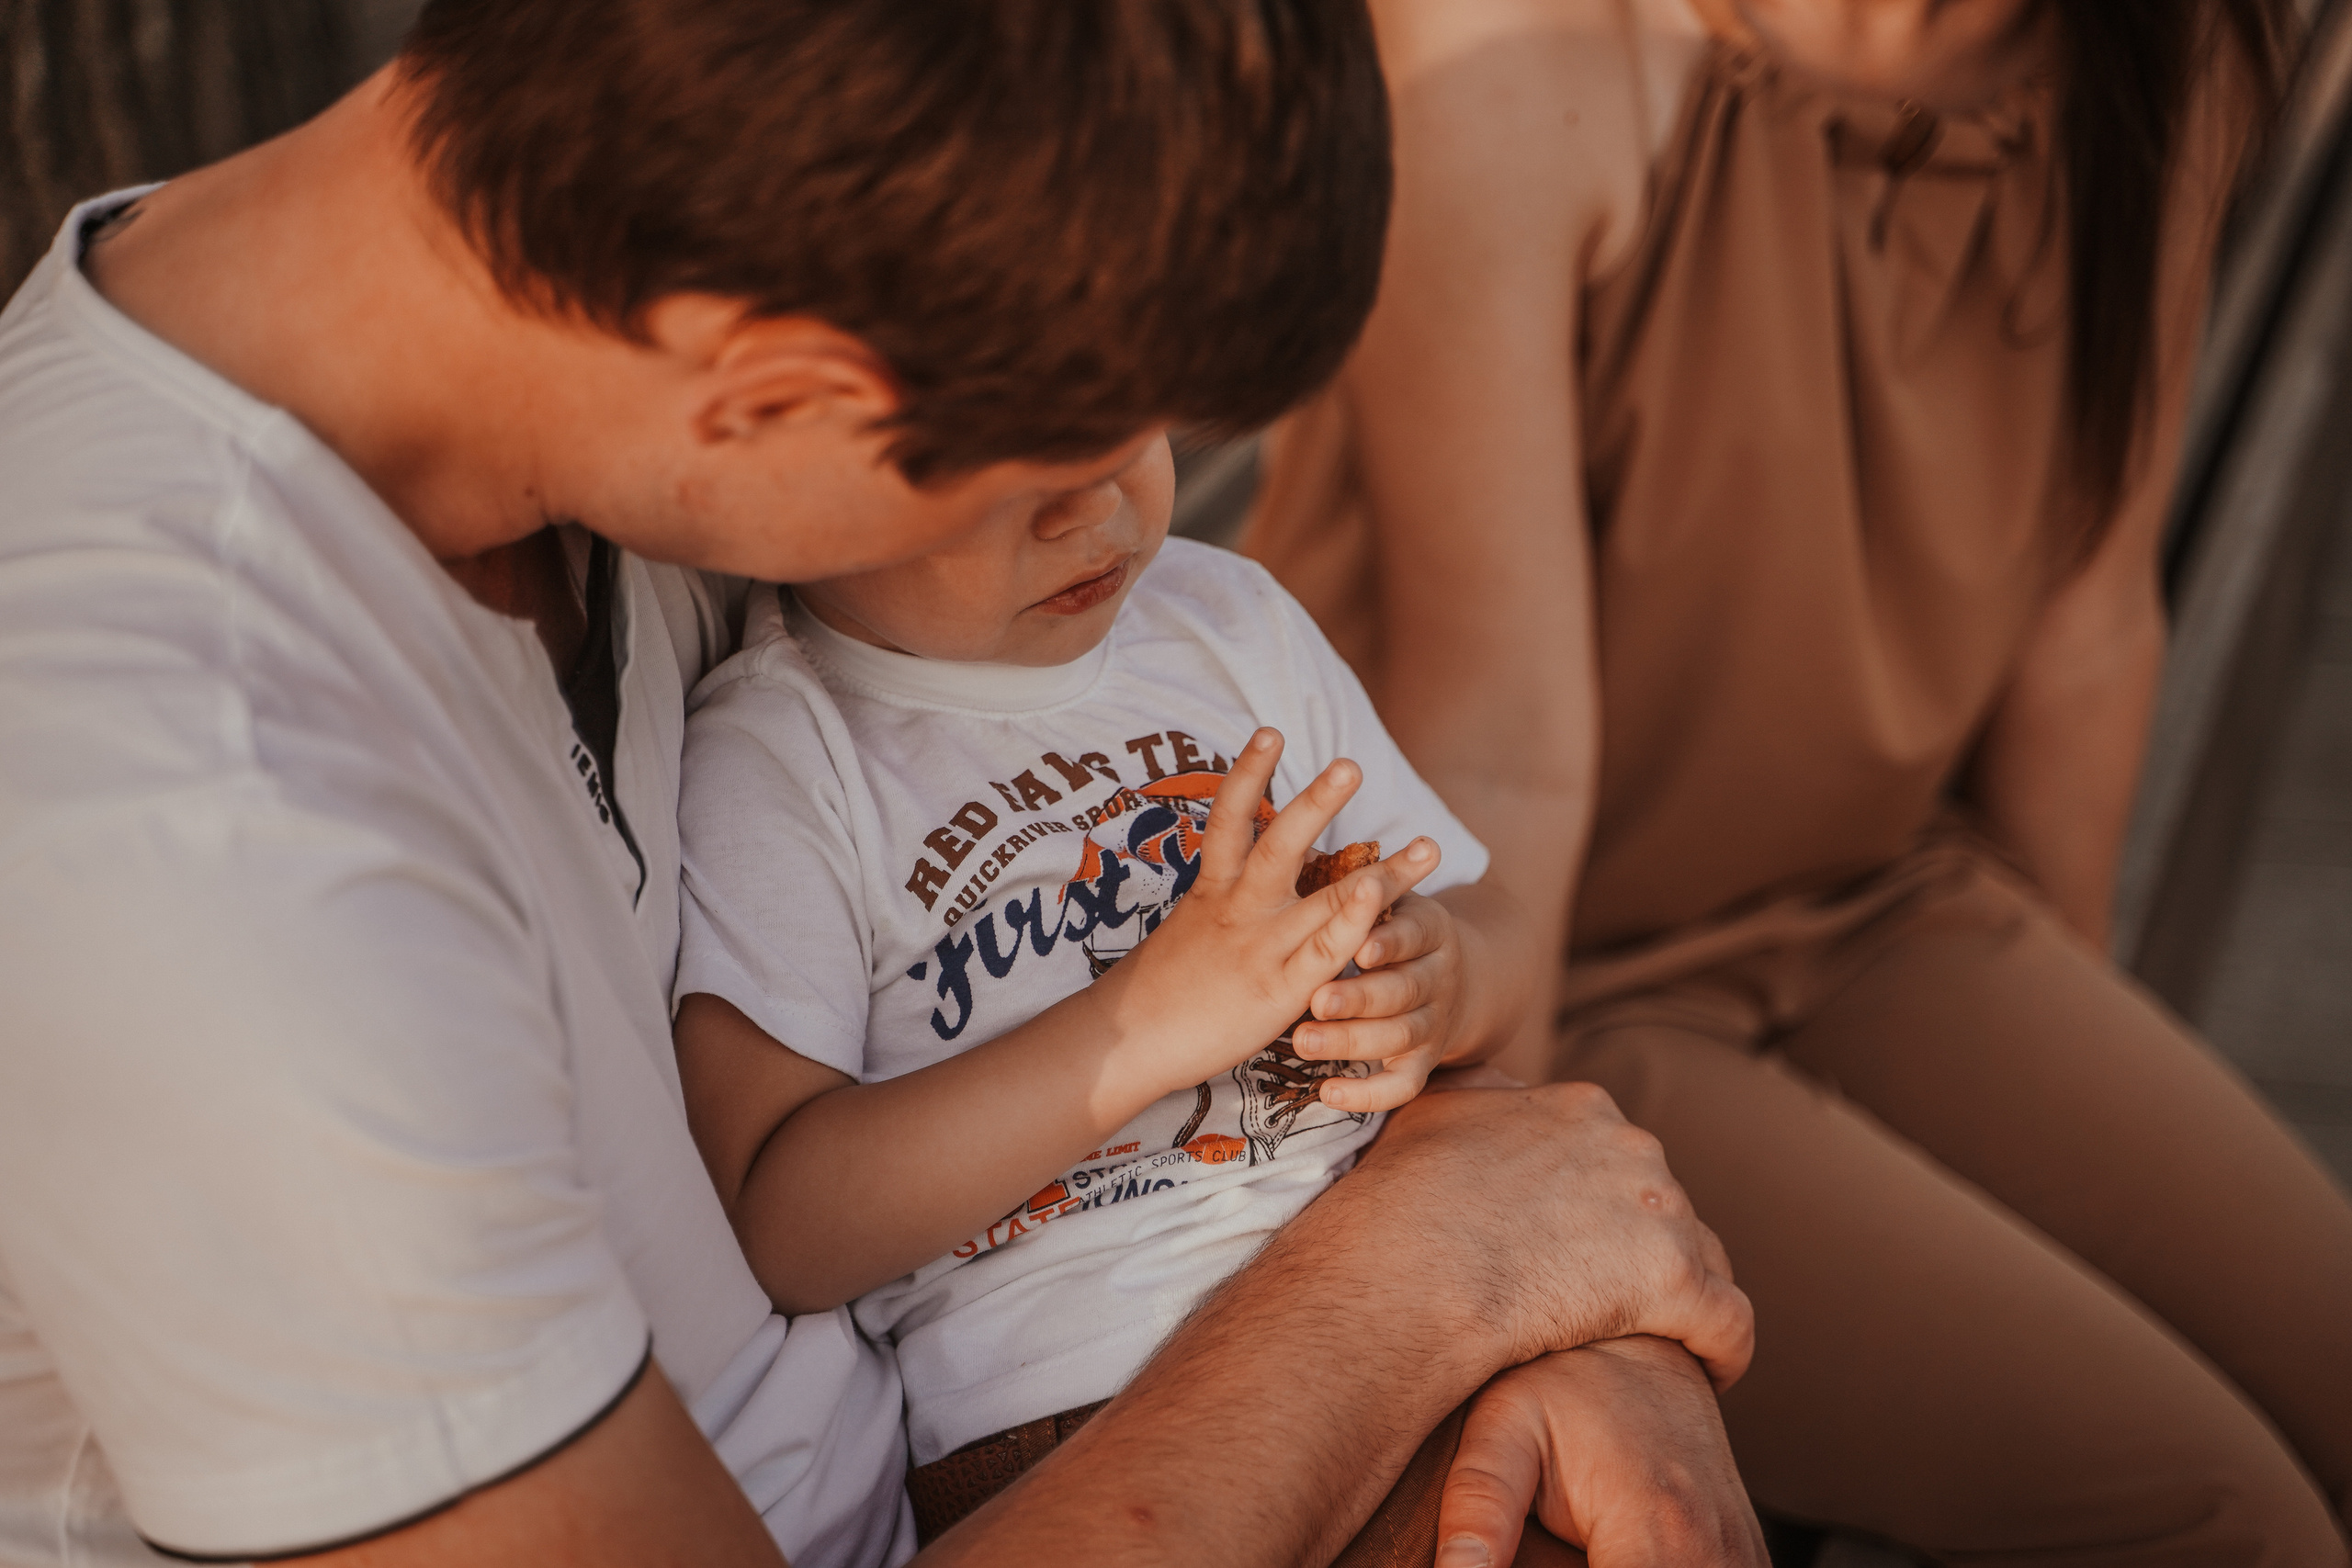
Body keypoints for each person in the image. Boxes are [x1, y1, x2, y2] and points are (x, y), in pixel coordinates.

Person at [0, 3, 1763, 1566]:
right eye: (1058, 464)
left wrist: (1553, 1316)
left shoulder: (608, 350)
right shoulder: (193, 831)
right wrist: (1424, 1287)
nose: (1125, 529)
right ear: (771, 396)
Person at [1243, 0, 2352, 1557]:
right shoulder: (1517, 49)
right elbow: (1505, 751)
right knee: (2230, 1522)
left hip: (1878, 898)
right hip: (1549, 974)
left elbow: (2088, 617)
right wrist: (1528, 1263)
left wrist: (2043, 1116)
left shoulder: (2167, 54)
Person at [668, 445, 1545, 1537]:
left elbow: (1495, 920)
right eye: (990, 461)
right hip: (1072, 1423)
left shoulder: (1229, 620)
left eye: (1118, 423)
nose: (1089, 502)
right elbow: (783, 1221)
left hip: (1416, 1312)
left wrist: (1445, 977)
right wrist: (1145, 1028)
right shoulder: (782, 758)